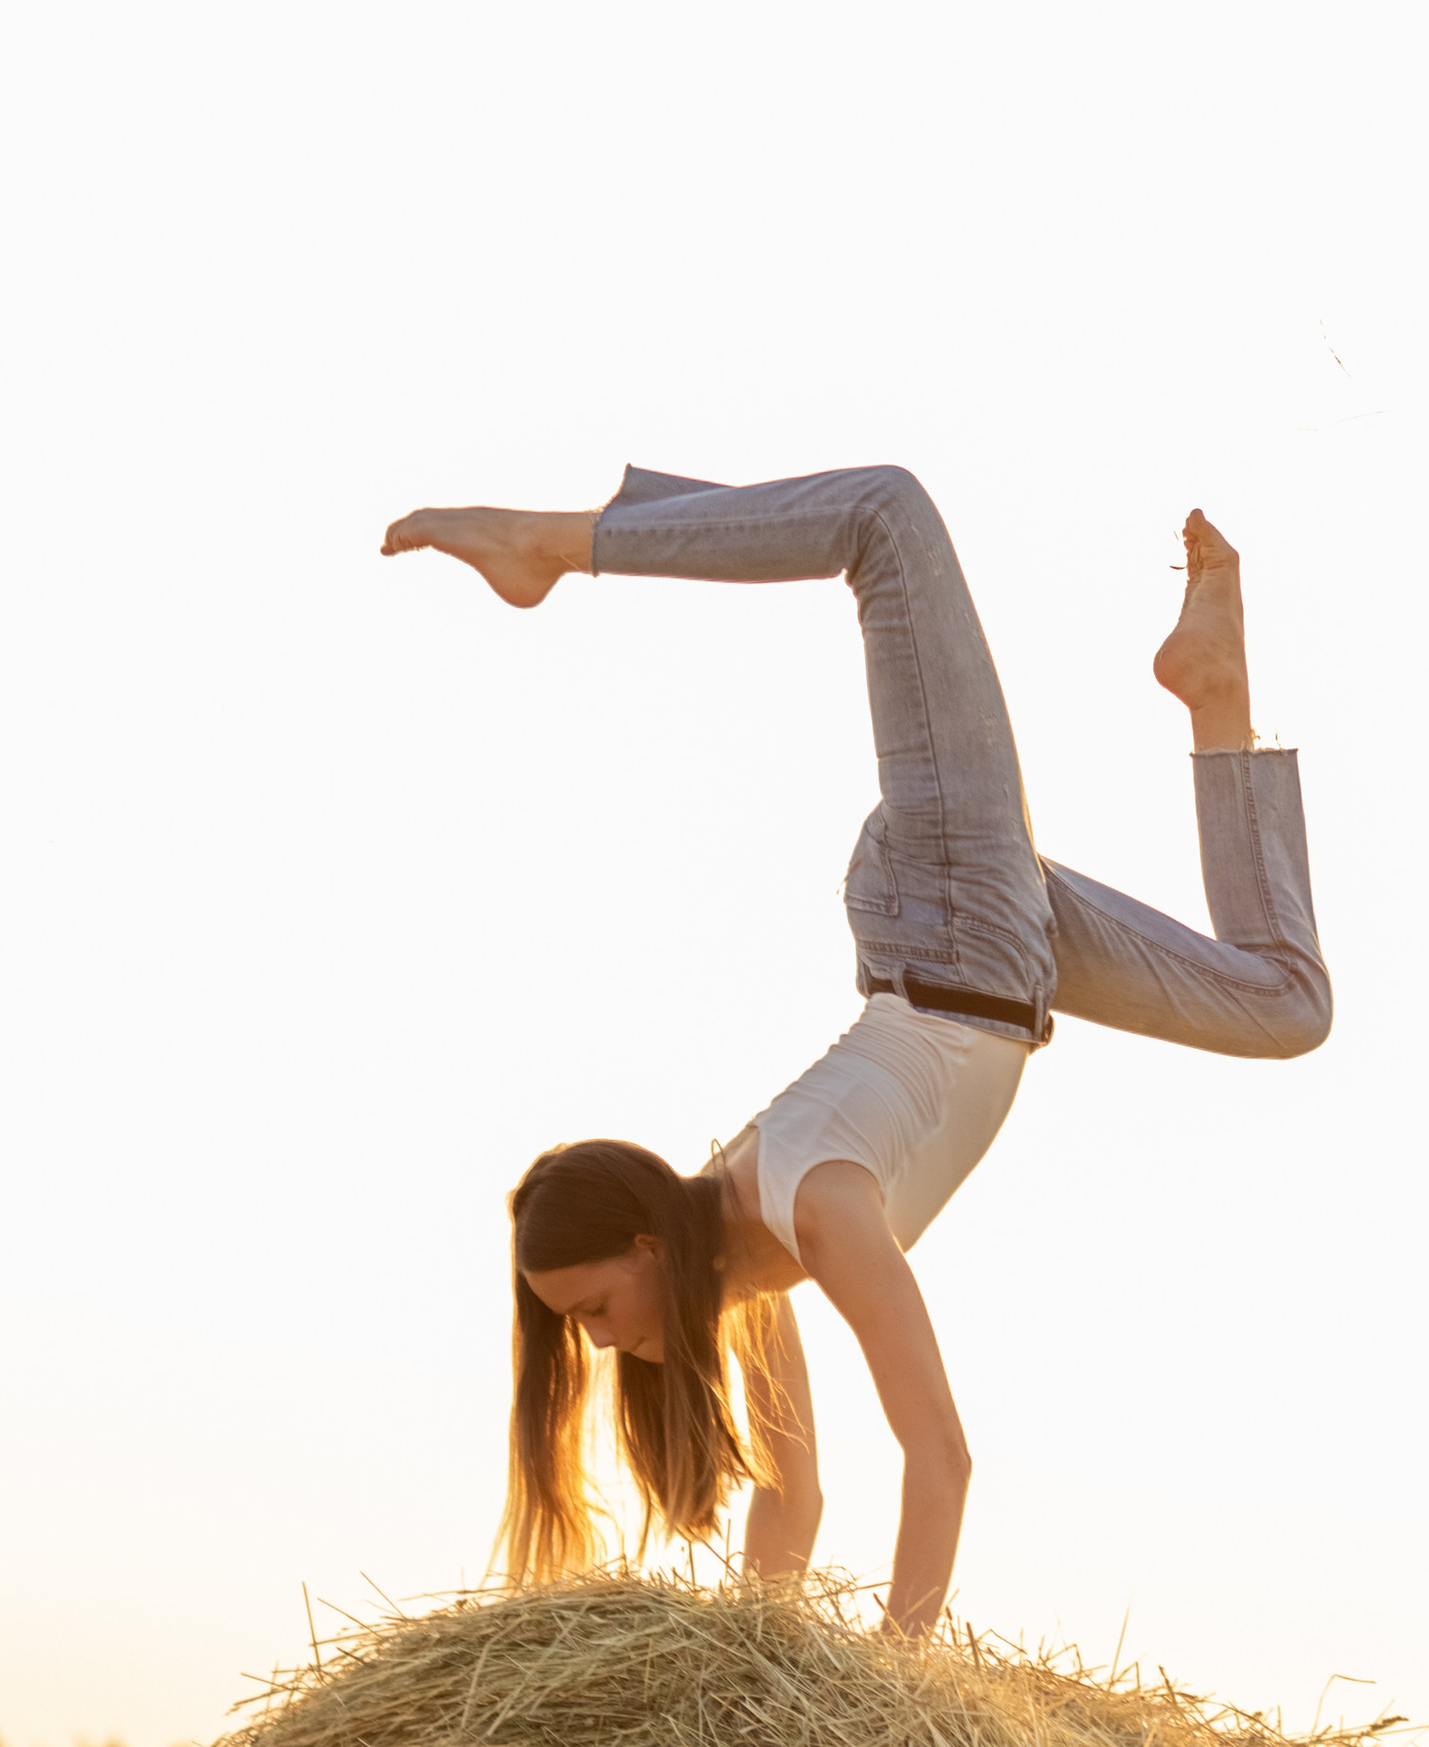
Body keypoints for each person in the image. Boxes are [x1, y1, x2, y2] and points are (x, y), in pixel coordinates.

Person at [380, 463, 1330, 1639]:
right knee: (1286, 1008)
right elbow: (792, 1499)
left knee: (885, 517)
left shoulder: (813, 1205)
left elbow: (939, 1453)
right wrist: (751, 1690)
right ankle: (1214, 697)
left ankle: (556, 543)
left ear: (641, 1243)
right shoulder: (740, 1268)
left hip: (949, 915)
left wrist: (894, 1685)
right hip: (994, 961)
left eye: (589, 1310)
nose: (599, 1342)